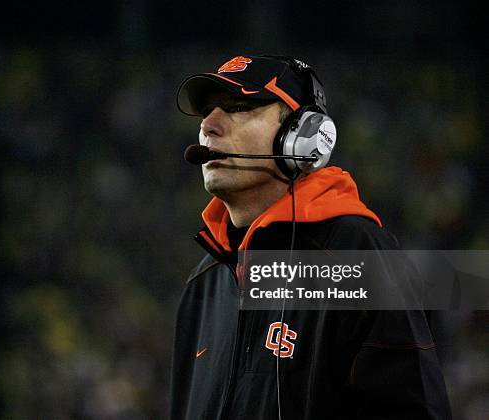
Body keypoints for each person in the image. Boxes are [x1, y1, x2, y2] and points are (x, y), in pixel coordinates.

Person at [170, 54, 452, 419]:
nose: (208, 125)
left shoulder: (357, 255)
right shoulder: (203, 280)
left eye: (239, 106)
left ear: (303, 135)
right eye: (206, 112)